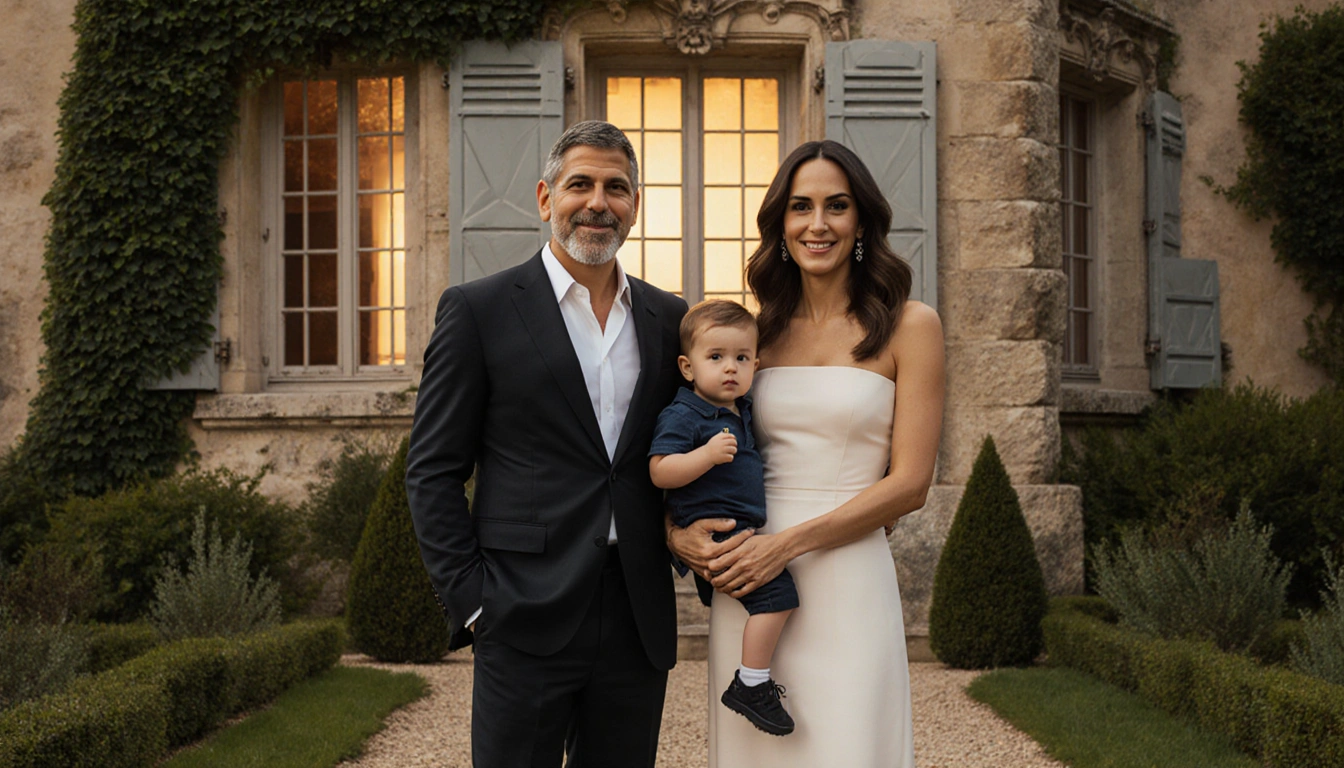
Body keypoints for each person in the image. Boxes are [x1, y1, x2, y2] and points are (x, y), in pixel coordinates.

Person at [405, 120, 688, 768]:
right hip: (521, 607)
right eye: (579, 184)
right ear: (544, 198)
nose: (597, 202)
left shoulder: (669, 319)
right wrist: (475, 602)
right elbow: (432, 470)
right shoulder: (479, 310)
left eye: (616, 187)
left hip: (636, 614)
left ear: (635, 206)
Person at [667, 139, 946, 766]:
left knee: (848, 744)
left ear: (861, 221)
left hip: (847, 574)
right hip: (746, 576)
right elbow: (685, 439)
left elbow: (910, 485)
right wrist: (675, 534)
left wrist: (786, 545)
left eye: (836, 206)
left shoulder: (911, 325)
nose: (817, 224)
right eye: (800, 207)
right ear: (780, 224)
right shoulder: (750, 337)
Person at [648, 299, 799, 737]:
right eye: (715, 358)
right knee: (779, 598)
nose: (730, 368)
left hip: (738, 530)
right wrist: (705, 456)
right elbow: (660, 469)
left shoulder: (742, 408)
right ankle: (751, 683)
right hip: (716, 534)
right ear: (688, 366)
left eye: (741, 358)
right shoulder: (684, 415)